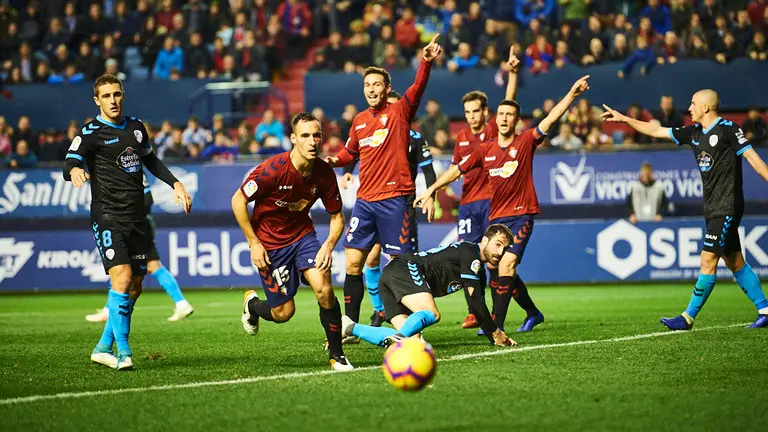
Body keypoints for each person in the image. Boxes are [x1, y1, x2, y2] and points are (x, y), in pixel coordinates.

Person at [416, 75, 592, 333]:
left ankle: (495, 326)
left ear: (516, 120)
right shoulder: (484, 150)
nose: (505, 118)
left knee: (506, 264)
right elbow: (456, 171)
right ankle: (532, 312)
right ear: (496, 118)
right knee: (492, 265)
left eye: (510, 114)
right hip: (497, 219)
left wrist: (572, 94)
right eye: (502, 114)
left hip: (521, 215)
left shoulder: (526, 142)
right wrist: (431, 188)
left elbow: (551, 118)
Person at [602, 89, 768, 330]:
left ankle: (687, 317)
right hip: (712, 208)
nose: (689, 108)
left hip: (727, 206)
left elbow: (753, 158)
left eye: (693, 104)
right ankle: (764, 309)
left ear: (707, 107)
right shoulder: (693, 132)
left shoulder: (729, 130)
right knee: (734, 261)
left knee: (707, 259)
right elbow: (656, 130)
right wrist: (626, 119)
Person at [64, 74, 193, 371]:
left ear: (123, 96)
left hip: (137, 218)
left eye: (117, 94)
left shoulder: (136, 128)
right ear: (97, 100)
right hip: (108, 215)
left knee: (135, 287)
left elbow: (151, 161)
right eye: (106, 96)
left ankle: (101, 347)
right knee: (121, 279)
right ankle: (124, 353)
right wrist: (74, 172)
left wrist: (176, 184)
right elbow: (71, 160)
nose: (113, 100)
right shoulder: (90, 132)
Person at [325, 34, 442, 337]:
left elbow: (418, 89)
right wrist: (331, 162)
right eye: (367, 85)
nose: (372, 89)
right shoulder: (360, 121)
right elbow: (349, 153)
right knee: (353, 263)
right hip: (366, 201)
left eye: (377, 84)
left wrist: (425, 62)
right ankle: (348, 328)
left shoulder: (400, 112)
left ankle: (409, 325)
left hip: (395, 200)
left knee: (398, 267)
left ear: (387, 88)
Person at [233, 113, 354, 370]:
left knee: (324, 287)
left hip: (302, 237)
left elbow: (337, 217)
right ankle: (253, 306)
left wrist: (328, 245)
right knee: (283, 313)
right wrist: (253, 243)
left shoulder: (323, 173)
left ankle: (337, 354)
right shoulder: (271, 171)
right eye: (305, 136)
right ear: (293, 139)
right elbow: (238, 201)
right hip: (270, 246)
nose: (312, 141)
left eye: (317, 135)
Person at [340, 90, 438, 328]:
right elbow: (354, 150)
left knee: (401, 263)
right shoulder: (374, 131)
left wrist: (431, 195)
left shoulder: (414, 137)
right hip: (374, 202)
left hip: (400, 205)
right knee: (370, 259)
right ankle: (379, 310)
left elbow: (428, 169)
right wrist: (346, 172)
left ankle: (404, 314)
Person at [342, 224, 517, 348]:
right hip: (405, 268)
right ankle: (399, 336)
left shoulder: (477, 269)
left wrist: (493, 336)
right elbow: (476, 303)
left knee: (412, 343)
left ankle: (349, 327)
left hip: (391, 276)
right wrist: (495, 333)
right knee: (432, 314)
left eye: (505, 248)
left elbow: (475, 306)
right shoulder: (470, 253)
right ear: (485, 240)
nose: (501, 252)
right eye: (498, 244)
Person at [453, 46, 522, 330]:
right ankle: (474, 310)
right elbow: (457, 170)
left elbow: (509, 99)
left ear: (485, 112)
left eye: (475, 111)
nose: (470, 116)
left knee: (495, 261)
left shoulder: (494, 129)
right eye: (467, 112)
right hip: (469, 204)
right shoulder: (460, 137)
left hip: (492, 203)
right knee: (470, 257)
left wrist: (513, 73)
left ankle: (497, 312)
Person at [85, 174, 194, 323]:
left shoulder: (130, 167)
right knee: (153, 266)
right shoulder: (125, 166)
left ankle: (109, 310)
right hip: (139, 225)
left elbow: (147, 199)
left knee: (119, 266)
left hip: (136, 226)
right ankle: (181, 303)